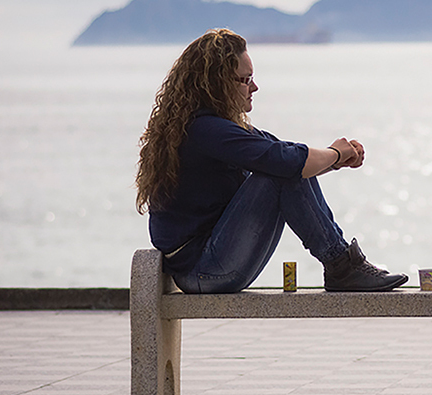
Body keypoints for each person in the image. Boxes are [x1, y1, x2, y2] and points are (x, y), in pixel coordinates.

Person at [135, 28, 407, 293]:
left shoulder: (212, 127)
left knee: (284, 167)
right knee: (281, 170)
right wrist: (336, 154)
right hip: (204, 271)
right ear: (217, 84)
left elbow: (283, 153)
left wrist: (335, 160)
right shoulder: (205, 130)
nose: (254, 87)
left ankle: (342, 265)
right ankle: (341, 265)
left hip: (209, 264)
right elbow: (285, 162)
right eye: (245, 79)